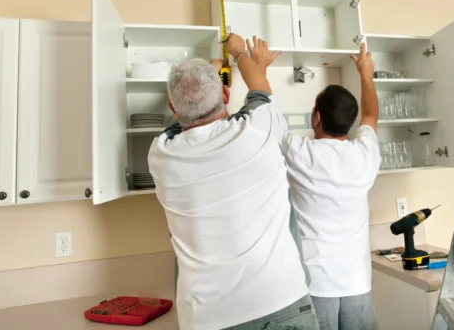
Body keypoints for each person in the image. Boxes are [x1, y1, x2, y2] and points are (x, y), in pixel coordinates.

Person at [147, 34, 319, 330]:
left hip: (208, 318)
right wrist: (239, 54)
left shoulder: (161, 155)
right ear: (226, 96)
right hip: (281, 302)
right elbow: (259, 89)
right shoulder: (260, 131)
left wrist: (211, 74)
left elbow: (183, 123)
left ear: (172, 107)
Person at [283, 43, 381, 330]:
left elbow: (267, 116)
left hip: (315, 283)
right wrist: (365, 74)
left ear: (316, 118)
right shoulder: (365, 154)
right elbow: (371, 116)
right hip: (357, 282)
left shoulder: (300, 152)